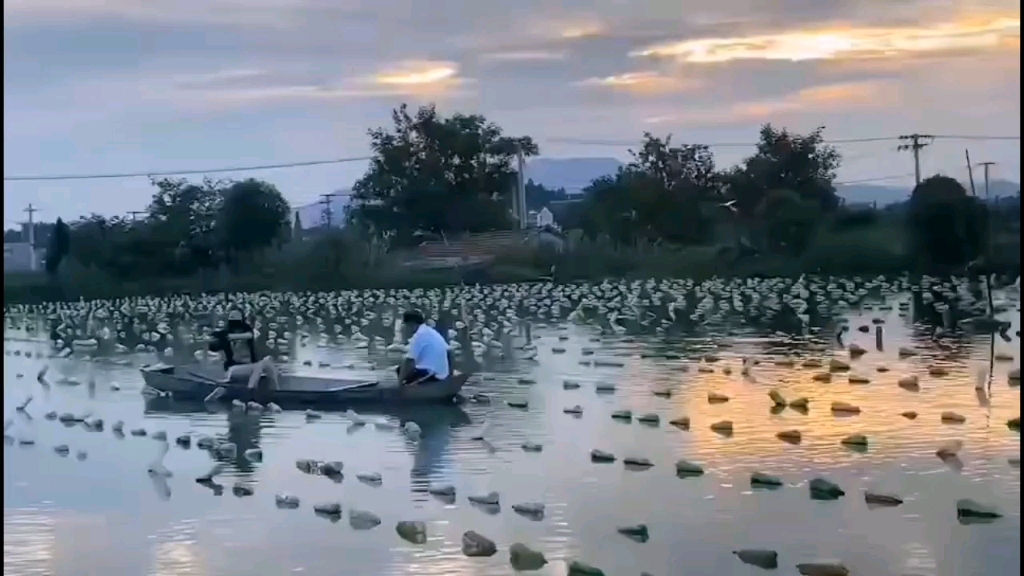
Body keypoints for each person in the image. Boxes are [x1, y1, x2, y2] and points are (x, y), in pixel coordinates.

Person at [208, 310, 279, 399]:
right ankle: (251, 391)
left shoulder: (246, 333)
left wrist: (226, 336)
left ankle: (276, 392)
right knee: (261, 365)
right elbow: (213, 347)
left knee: (268, 362)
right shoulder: (224, 336)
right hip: (233, 370)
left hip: (249, 368)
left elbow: (248, 335)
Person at [397, 310, 452, 386]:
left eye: (405, 325)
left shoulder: (419, 335)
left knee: (401, 370)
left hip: (431, 374)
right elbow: (449, 351)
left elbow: (409, 361)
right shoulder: (431, 331)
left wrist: (399, 384)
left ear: (411, 324)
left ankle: (408, 390)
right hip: (442, 374)